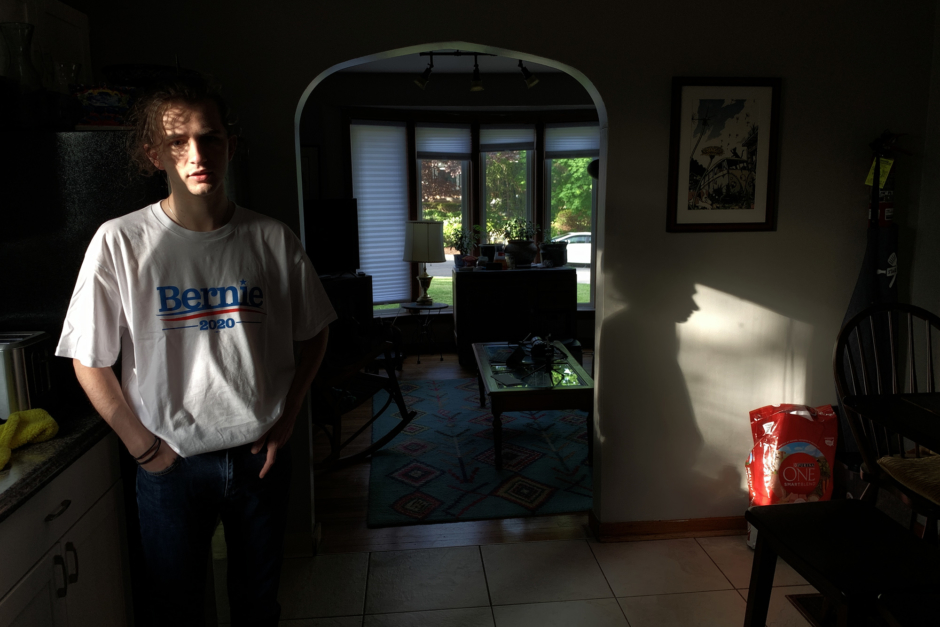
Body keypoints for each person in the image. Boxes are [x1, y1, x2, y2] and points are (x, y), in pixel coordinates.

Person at [55, 79, 336, 626]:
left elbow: (315, 331)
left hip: (260, 459)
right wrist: (144, 450)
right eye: (177, 141)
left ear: (230, 144)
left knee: (258, 608)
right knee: (177, 612)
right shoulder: (120, 242)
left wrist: (288, 417)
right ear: (153, 154)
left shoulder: (272, 239)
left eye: (209, 138)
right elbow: (88, 359)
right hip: (170, 464)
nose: (197, 155)